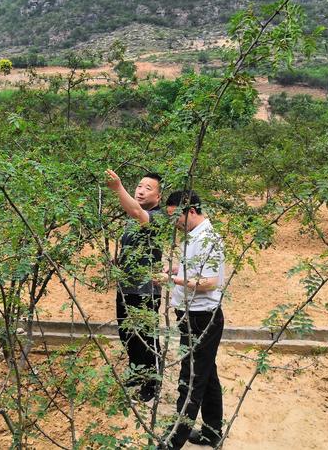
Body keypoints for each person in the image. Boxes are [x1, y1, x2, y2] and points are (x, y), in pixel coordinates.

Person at [164, 190, 225, 450]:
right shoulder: (193, 236)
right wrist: (178, 269)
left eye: (176, 217)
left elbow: (210, 283)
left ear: (190, 211)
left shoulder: (209, 238)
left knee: (191, 379)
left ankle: (174, 439)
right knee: (207, 374)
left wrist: (174, 280)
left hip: (203, 318)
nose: (174, 223)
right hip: (190, 315)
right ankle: (212, 432)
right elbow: (197, 270)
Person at [105, 169, 164, 402]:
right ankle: (137, 371)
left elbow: (137, 210)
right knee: (127, 333)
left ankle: (152, 382)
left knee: (145, 337)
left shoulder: (157, 218)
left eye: (148, 188)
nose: (140, 191)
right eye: (139, 186)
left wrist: (118, 187)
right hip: (126, 287)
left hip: (146, 290)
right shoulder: (132, 220)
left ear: (158, 197)